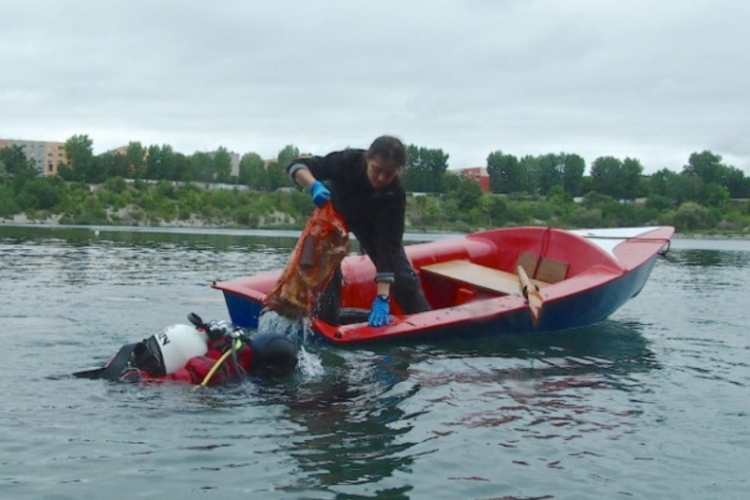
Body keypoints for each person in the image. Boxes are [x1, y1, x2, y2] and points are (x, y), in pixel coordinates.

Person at [287, 135, 431, 327]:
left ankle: (424, 323)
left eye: (388, 174)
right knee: (326, 273)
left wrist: (382, 298)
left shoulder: (395, 194)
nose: (381, 178)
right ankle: (326, 322)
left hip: (372, 226)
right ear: (367, 160)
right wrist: (313, 185)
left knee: (403, 278)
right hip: (334, 214)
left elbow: (389, 245)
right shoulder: (348, 161)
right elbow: (297, 166)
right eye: (377, 170)